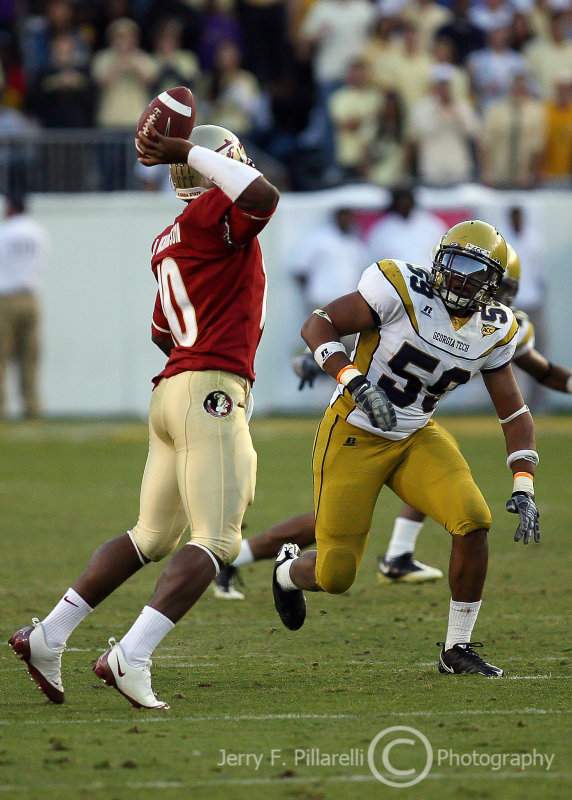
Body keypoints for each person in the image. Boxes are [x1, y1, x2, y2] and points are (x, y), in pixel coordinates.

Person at [9, 123, 279, 708]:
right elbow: (262, 196)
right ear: (212, 169)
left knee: (150, 536)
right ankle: (130, 655)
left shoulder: (169, 234)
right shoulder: (216, 213)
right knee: (217, 541)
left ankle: (50, 635)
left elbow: (162, 332)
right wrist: (190, 150)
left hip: (173, 388)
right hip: (209, 389)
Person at [216, 242, 571, 597]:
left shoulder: (501, 329)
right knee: (334, 556)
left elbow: (535, 382)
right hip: (359, 424)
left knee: (461, 500)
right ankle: (270, 563)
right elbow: (355, 331)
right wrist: (332, 369)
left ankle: (400, 557)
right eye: (458, 274)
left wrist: (524, 482)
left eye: (496, 287)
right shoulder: (406, 291)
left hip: (415, 425)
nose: (466, 287)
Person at [271, 220, 541, 678]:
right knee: (335, 577)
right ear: (439, 261)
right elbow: (319, 324)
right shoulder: (399, 286)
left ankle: (456, 648)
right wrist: (353, 381)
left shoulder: (496, 327)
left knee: (473, 521)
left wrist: (524, 484)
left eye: (475, 273)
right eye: (455, 265)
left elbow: (514, 412)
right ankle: (284, 572)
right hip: (354, 431)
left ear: (492, 285)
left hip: (416, 434)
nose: (460, 279)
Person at [0, 193, 49, 419]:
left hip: (6, 298)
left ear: (10, 208)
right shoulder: (37, 233)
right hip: (31, 297)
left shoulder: (4, 232)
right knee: (30, 355)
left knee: (3, 355)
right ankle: (32, 405)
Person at [365, 186, 447, 268]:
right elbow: (373, 261)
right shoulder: (381, 230)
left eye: (407, 200)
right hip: (395, 278)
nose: (404, 204)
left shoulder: (431, 225)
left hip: (428, 276)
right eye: (401, 201)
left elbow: (445, 253)